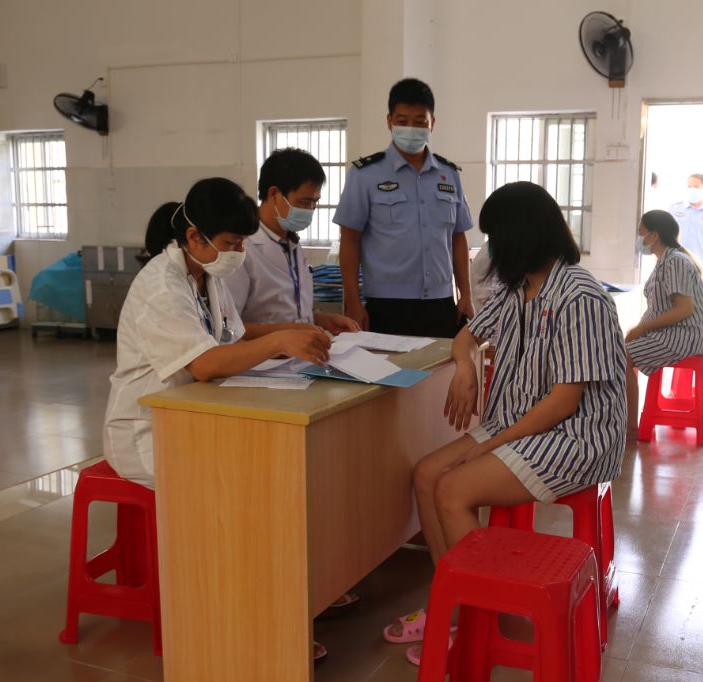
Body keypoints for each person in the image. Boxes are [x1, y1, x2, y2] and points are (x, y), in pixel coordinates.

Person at [380, 182, 627, 664]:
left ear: (522, 238)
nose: (490, 251)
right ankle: (455, 597)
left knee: (454, 489)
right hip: (519, 420)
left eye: (495, 240)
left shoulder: (580, 297)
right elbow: (466, 334)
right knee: (427, 474)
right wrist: (467, 365)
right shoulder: (521, 287)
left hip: (574, 435)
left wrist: (487, 447)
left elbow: (562, 402)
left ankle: (480, 618)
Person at [103, 178, 331, 490]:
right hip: (146, 429)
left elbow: (233, 336)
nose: (239, 253)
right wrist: (279, 340)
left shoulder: (206, 273)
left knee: (267, 458)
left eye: (242, 244)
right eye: (230, 244)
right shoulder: (161, 287)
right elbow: (204, 364)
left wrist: (291, 330)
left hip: (189, 410)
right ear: (194, 236)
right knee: (234, 477)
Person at [333, 77, 475, 337]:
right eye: (402, 120)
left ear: (432, 123)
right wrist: (352, 301)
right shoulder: (365, 174)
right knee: (387, 376)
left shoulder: (449, 174)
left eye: (420, 121)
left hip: (440, 303)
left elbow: (458, 238)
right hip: (386, 305)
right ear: (389, 121)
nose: (411, 128)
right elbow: (350, 240)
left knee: (440, 375)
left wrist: (465, 294)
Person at [224, 148, 360, 335]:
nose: (311, 209)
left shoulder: (290, 241)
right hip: (263, 361)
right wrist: (289, 332)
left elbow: (288, 310)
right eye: (304, 202)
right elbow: (228, 329)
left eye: (315, 202)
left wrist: (321, 320)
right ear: (274, 194)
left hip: (296, 356)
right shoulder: (240, 247)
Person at [625, 210, 703, 436]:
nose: (638, 237)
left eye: (640, 231)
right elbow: (658, 308)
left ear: (654, 235)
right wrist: (637, 331)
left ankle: (631, 426)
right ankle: (628, 421)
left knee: (622, 357)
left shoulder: (675, 262)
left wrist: (642, 329)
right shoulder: (665, 261)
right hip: (670, 332)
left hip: (684, 335)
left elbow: (684, 309)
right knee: (619, 352)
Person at [669, 173, 703, 286]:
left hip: (699, 271)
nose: (692, 190)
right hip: (674, 269)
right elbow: (664, 238)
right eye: (689, 187)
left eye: (696, 187)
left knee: (697, 304)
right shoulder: (674, 210)